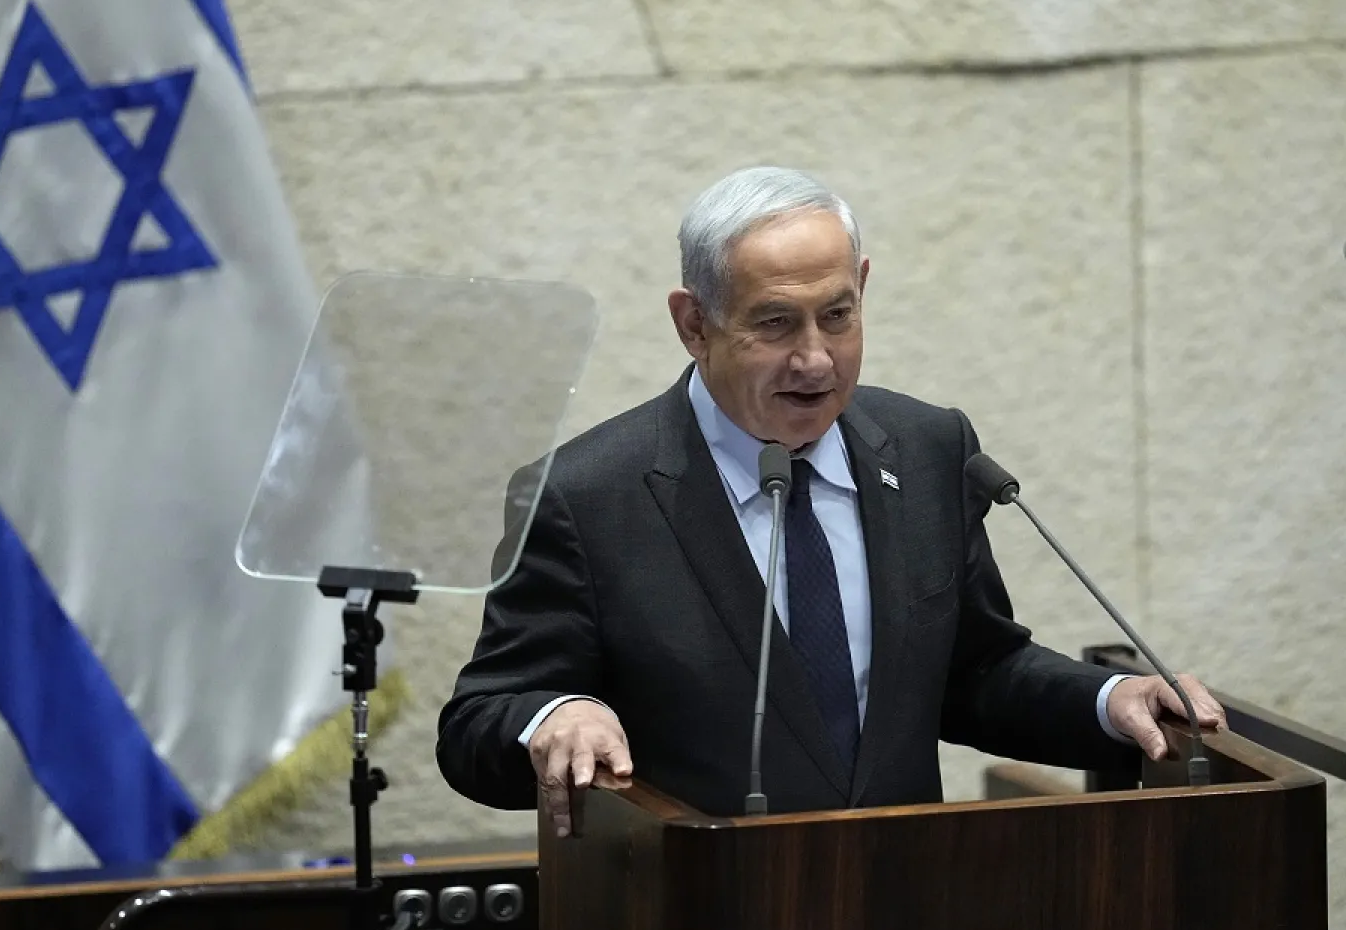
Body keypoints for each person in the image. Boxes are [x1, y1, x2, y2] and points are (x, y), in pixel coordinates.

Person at [436, 166, 1225, 837]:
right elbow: (477, 723)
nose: (815, 358)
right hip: (698, 903)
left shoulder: (926, 448)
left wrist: (1109, 698)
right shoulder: (585, 496)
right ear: (693, 323)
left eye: (838, 315)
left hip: (907, 895)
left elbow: (974, 672)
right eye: (775, 323)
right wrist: (556, 715)